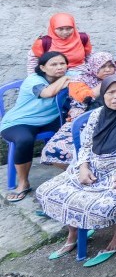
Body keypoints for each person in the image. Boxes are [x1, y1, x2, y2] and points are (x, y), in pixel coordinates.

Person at [36, 74, 116, 265]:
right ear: (103, 95)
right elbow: (86, 145)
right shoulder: (97, 115)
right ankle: (73, 230)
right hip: (90, 166)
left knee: (102, 209)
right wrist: (83, 166)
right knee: (47, 193)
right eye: (111, 92)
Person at [1, 52, 70, 202]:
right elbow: (48, 93)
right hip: (20, 121)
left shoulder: (71, 74)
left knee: (74, 130)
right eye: (54, 64)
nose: (59, 67)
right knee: (24, 140)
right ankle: (23, 183)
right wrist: (65, 78)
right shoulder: (34, 80)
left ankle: (75, 173)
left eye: (62, 64)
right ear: (43, 67)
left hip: (49, 119)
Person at [41, 52, 116, 167]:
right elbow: (85, 98)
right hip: (82, 117)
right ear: (93, 66)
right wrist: (106, 82)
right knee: (54, 149)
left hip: (112, 118)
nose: (107, 70)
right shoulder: (79, 80)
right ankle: (74, 175)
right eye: (102, 66)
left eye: (111, 66)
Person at [26, 13, 93, 74]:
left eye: (69, 28)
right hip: (52, 77)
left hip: (80, 76)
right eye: (60, 29)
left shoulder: (82, 38)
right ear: (53, 28)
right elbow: (33, 60)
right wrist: (33, 77)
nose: (65, 32)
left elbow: (90, 57)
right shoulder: (43, 42)